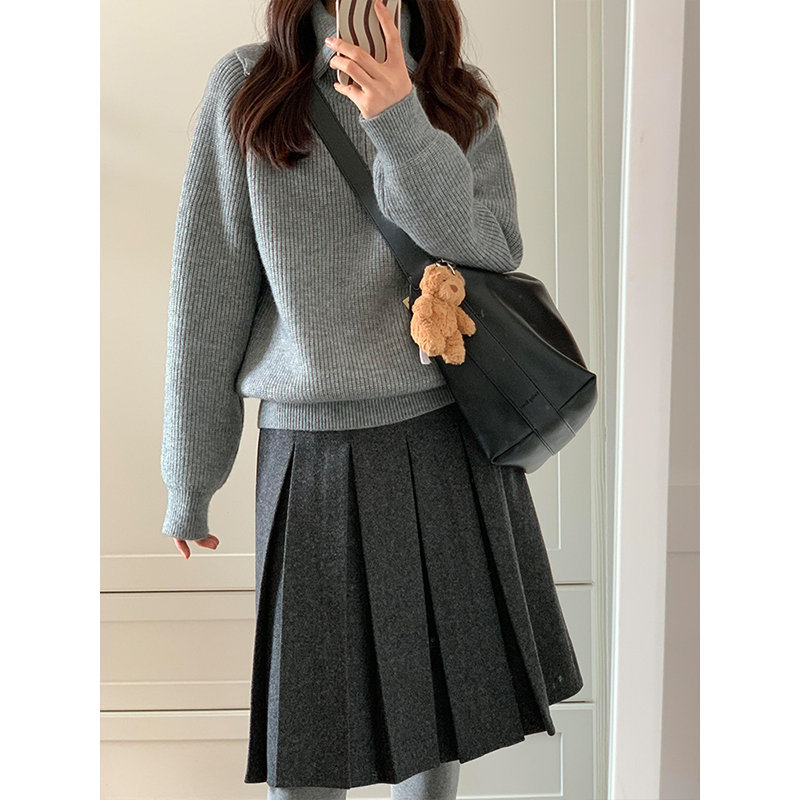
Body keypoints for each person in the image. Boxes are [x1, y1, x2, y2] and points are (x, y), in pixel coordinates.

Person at [160, 1, 584, 797]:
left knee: (437, 730)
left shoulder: (455, 95)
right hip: (310, 454)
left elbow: (490, 249)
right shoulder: (249, 88)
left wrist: (398, 119)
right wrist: (191, 475)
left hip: (446, 440)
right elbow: (207, 291)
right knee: (307, 747)